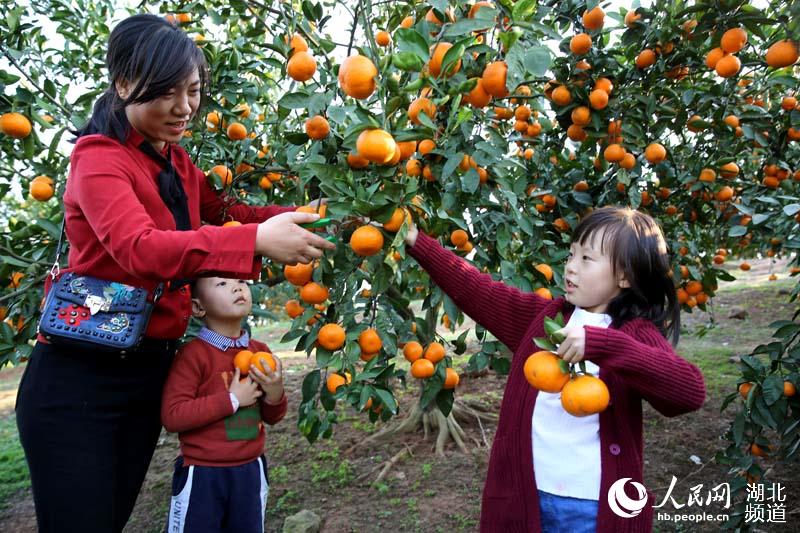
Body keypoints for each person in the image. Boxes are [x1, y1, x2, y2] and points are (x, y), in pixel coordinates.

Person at [15, 14, 334, 533]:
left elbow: (231, 212)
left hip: (145, 375)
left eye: (193, 91)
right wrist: (253, 241)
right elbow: (141, 249)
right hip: (79, 383)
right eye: (169, 92)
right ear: (123, 85)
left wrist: (321, 213)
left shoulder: (178, 164)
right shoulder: (98, 160)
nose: (185, 107)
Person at [403, 206, 706, 532]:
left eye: (587, 259)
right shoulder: (545, 320)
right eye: (571, 255)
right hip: (526, 495)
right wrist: (417, 241)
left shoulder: (634, 335)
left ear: (625, 276)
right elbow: (477, 289)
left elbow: (689, 392)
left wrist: (604, 346)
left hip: (593, 507)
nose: (571, 268)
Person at [161, 276, 286, 532]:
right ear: (198, 307)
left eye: (241, 280)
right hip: (204, 473)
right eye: (221, 284)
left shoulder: (260, 351)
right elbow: (173, 416)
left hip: (251, 470)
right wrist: (232, 400)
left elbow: (272, 416)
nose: (237, 286)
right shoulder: (193, 355)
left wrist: (275, 391)